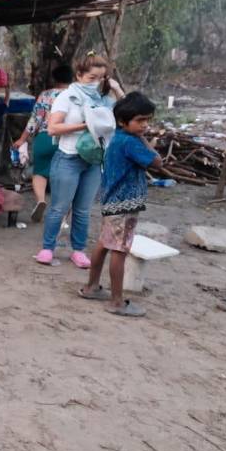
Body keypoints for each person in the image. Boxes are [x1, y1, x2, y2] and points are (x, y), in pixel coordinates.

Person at [79, 92, 163, 317]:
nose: (145, 125)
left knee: (105, 244)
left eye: (147, 120)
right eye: (140, 121)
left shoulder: (118, 138)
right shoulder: (131, 142)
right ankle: (117, 301)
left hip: (112, 200)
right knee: (120, 249)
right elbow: (157, 161)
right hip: (125, 203)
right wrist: (145, 139)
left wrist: (140, 134)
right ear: (123, 121)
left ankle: (92, 286)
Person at [36, 54, 114, 267]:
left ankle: (78, 250)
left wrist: (116, 89)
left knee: (82, 210)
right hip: (68, 157)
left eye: (100, 78)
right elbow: (53, 128)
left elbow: (122, 116)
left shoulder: (103, 99)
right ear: (79, 75)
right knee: (59, 207)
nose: (95, 82)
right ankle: (47, 248)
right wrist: (85, 125)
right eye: (91, 77)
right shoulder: (66, 97)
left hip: (94, 161)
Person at [14, 63, 72, 222]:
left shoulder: (46, 95)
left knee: (39, 172)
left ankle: (40, 200)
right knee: (65, 174)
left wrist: (22, 139)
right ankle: (63, 212)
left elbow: (35, 120)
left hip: (45, 138)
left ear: (55, 79)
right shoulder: (76, 96)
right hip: (67, 139)